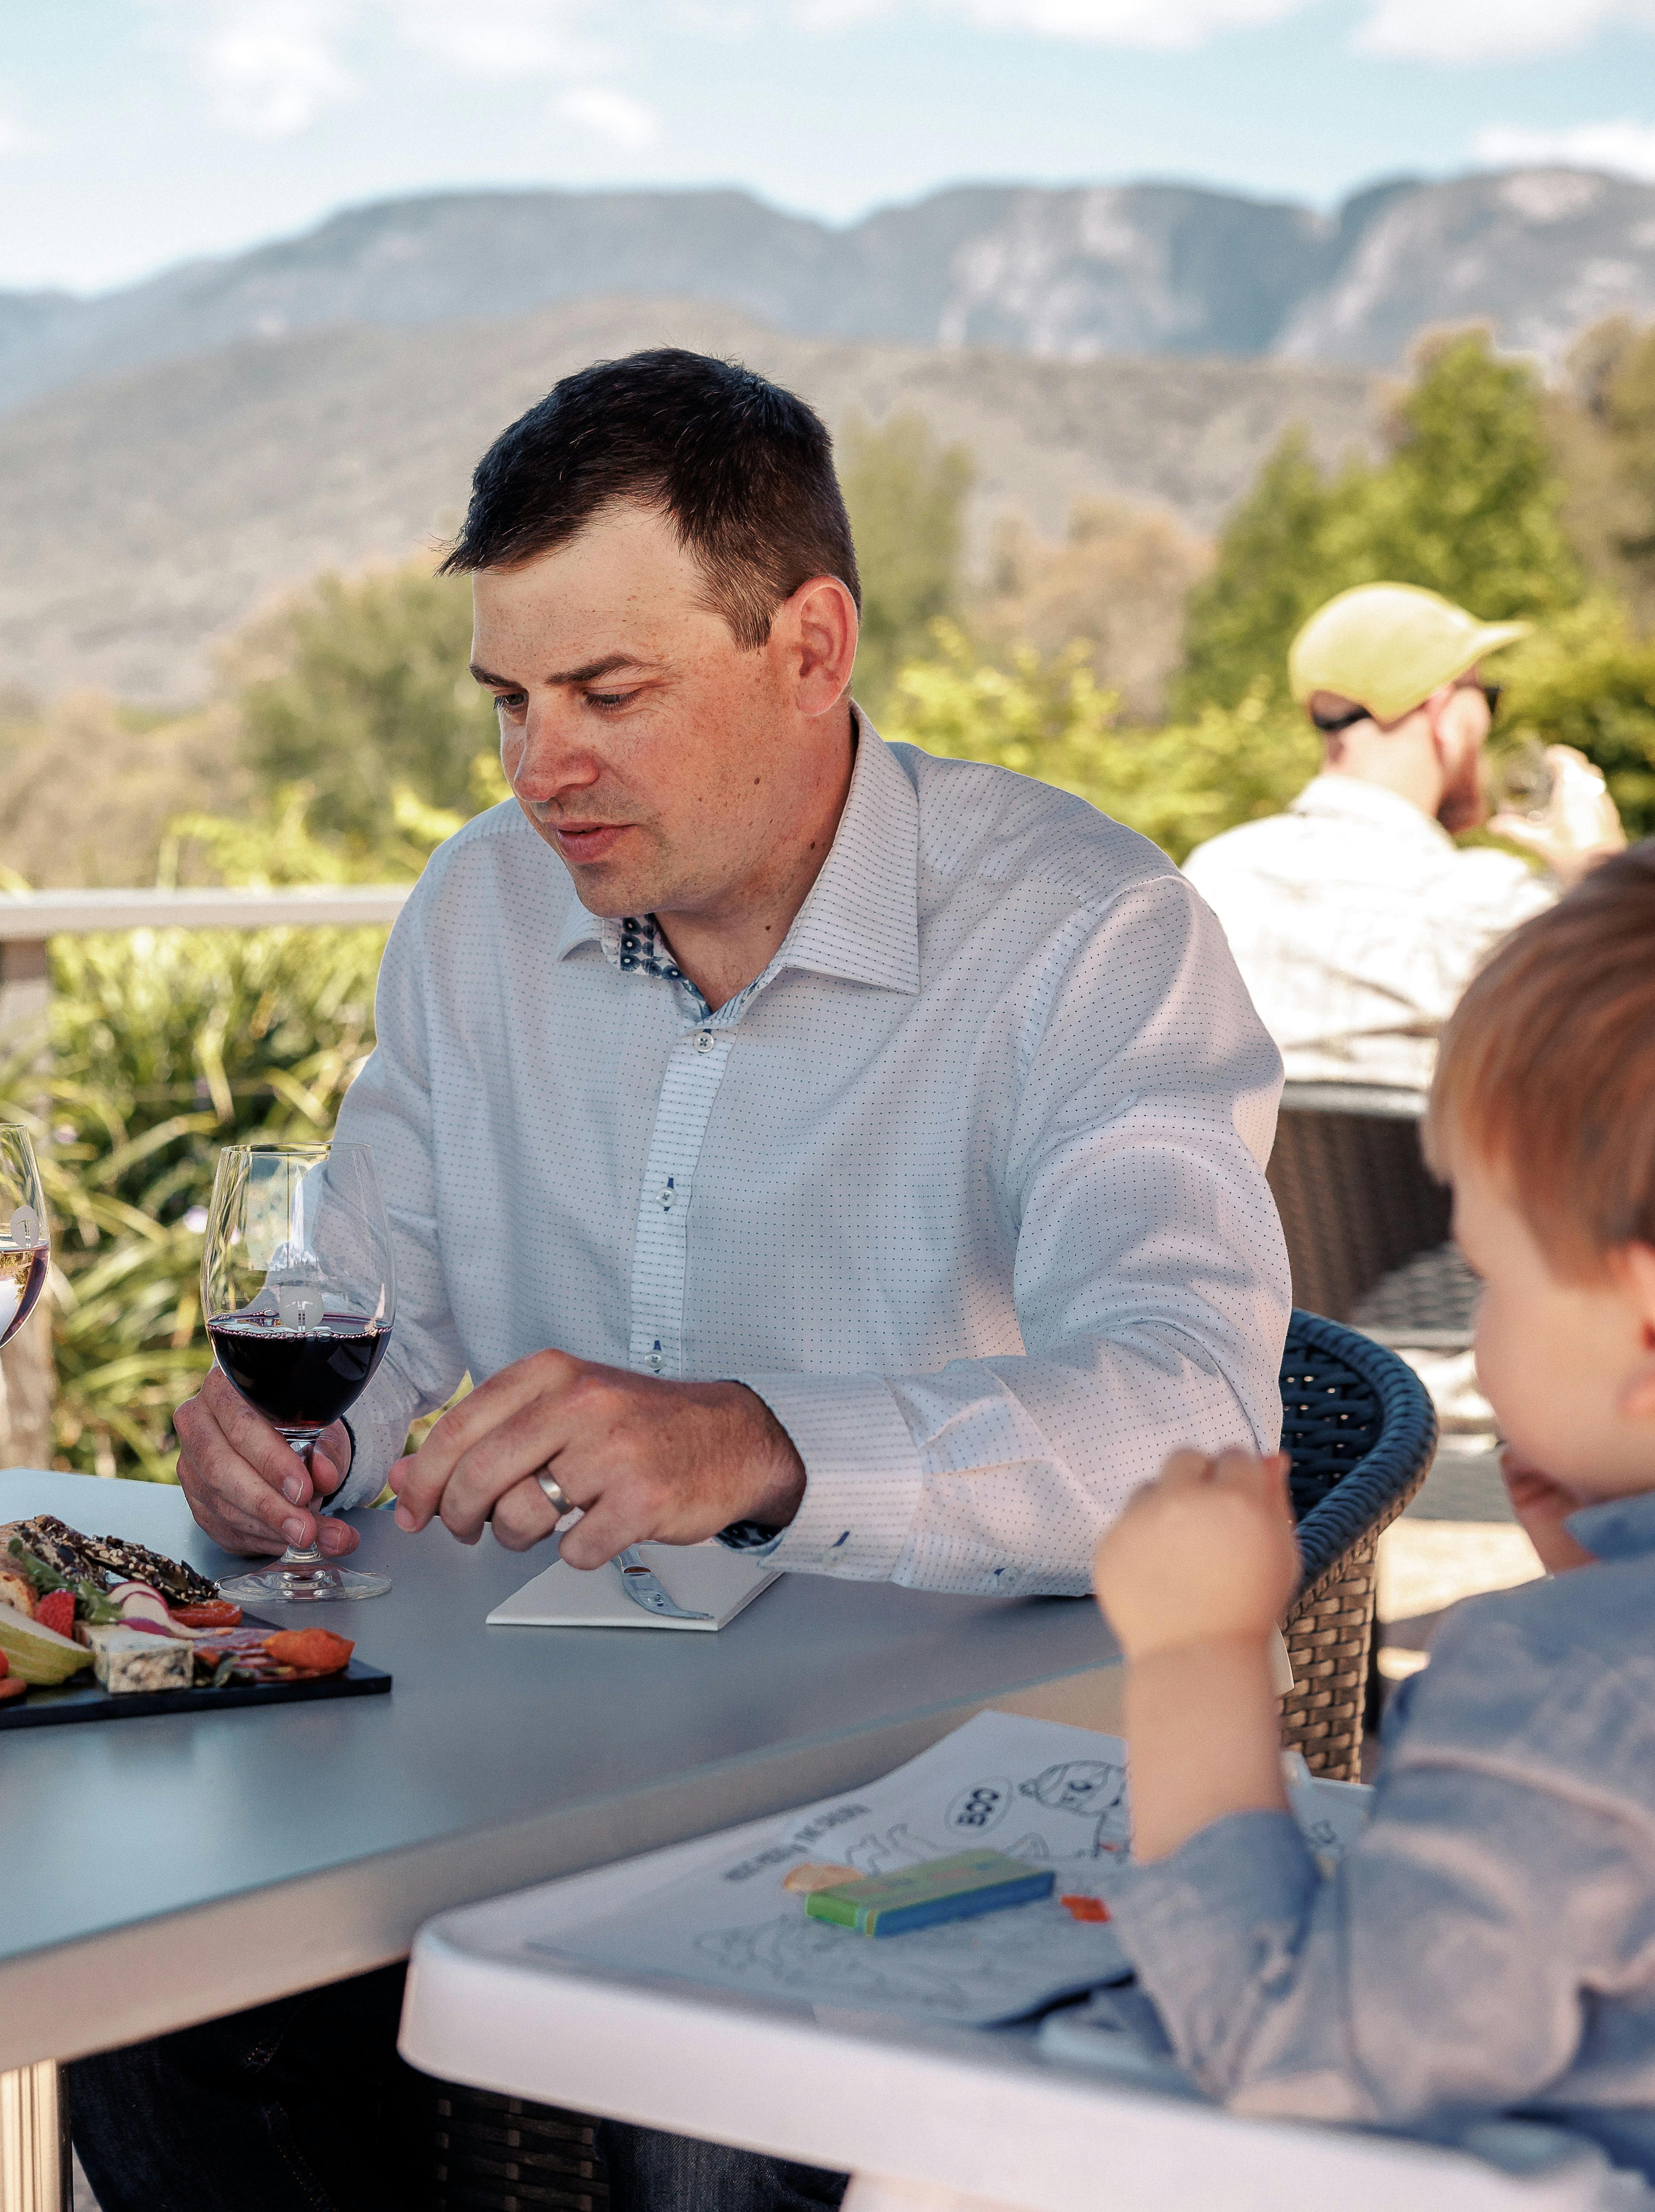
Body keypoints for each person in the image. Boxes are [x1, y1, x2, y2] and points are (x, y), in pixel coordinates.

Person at [79, 350, 1293, 2212]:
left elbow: (1187, 1412)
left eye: (605, 693)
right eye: (506, 701)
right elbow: (363, 1302)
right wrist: (285, 1444)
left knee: (710, 2097)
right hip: (529, 1744)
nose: (534, 769)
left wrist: (758, 1442)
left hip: (931, 1773)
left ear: (808, 646)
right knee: (157, 1985)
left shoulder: (1087, 936)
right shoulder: (476, 910)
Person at [1095, 789, 1655, 2184]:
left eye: (1490, 1272)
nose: (1482, 1316)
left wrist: (1195, 1651)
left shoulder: (1581, 1693)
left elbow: (1296, 2056)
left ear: (1654, 1339)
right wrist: (1617, 1589)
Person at [1179, 581, 1623, 1091]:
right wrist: (1605, 876)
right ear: (1443, 713)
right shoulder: (1497, 908)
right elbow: (1647, 1063)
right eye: (1488, 697)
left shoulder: (1208, 880)